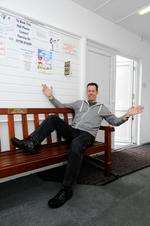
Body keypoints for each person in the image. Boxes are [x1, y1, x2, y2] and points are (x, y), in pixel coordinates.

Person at [11, 82, 144, 208]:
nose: (90, 93)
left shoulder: (102, 108)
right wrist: (50, 96)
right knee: (53, 118)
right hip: (73, 131)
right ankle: (31, 144)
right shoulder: (79, 103)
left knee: (76, 145)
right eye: (89, 91)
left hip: (87, 136)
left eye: (93, 91)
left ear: (97, 92)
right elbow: (62, 107)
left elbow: (114, 121)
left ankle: (66, 189)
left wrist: (127, 115)